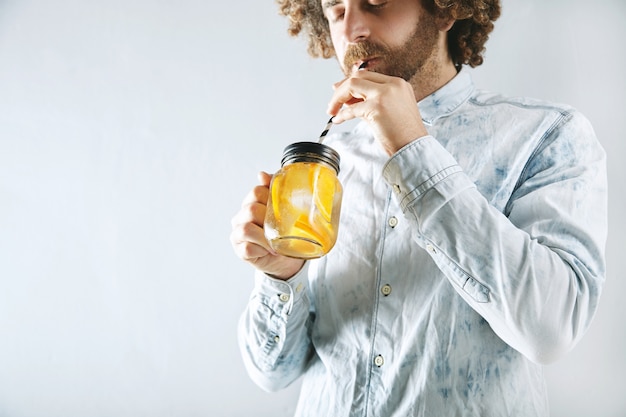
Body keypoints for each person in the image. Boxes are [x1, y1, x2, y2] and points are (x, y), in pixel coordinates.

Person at [230, 0, 608, 415]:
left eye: (376, 2)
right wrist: (282, 276)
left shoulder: (546, 136)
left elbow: (550, 331)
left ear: (445, 10)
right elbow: (271, 374)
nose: (352, 29)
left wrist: (411, 148)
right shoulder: (325, 167)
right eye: (335, 10)